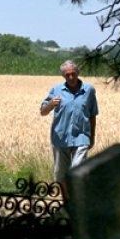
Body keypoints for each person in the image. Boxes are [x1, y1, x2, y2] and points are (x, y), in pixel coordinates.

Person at [39, 60, 98, 191]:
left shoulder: (89, 90)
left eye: (73, 74)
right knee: (60, 173)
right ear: (63, 76)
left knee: (78, 170)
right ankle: (65, 199)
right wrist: (50, 104)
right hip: (60, 137)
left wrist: (92, 137)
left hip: (82, 137)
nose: (71, 77)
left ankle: (76, 200)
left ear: (78, 73)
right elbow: (43, 112)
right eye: (67, 75)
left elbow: (93, 115)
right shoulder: (56, 90)